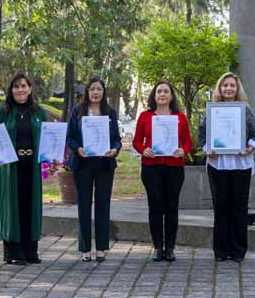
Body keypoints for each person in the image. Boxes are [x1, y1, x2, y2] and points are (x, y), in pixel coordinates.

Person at [199, 72, 255, 263]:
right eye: (225, 85)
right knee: (221, 207)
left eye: (232, 85)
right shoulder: (212, 110)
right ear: (219, 88)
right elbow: (202, 134)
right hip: (218, 164)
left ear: (237, 88)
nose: (228, 88)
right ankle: (221, 250)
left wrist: (250, 148)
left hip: (240, 165)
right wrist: (207, 149)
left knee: (239, 207)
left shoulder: (245, 109)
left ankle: (237, 250)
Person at [0, 73, 48, 265]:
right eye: (16, 86)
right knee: (12, 207)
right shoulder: (3, 111)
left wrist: (51, 157)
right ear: (11, 90)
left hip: (32, 166)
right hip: (9, 168)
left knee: (30, 206)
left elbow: (47, 138)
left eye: (24, 86)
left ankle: (30, 250)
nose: (20, 90)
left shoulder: (39, 112)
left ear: (30, 89)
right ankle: (13, 252)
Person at [132, 82, 193, 262]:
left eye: (166, 91)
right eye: (159, 91)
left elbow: (188, 142)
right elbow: (136, 141)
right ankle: (158, 247)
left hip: (174, 167)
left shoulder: (180, 117)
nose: (162, 94)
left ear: (171, 96)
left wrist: (184, 150)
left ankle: (170, 247)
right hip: (151, 167)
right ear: (154, 95)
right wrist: (144, 150)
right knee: (155, 207)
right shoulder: (145, 116)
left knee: (172, 207)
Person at [66, 76, 122, 263]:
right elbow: (71, 137)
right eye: (92, 89)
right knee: (84, 205)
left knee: (102, 205)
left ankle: (101, 247)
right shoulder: (78, 111)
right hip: (83, 164)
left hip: (104, 163)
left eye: (99, 89)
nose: (96, 92)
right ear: (87, 92)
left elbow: (116, 139)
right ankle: (84, 248)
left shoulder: (110, 112)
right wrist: (78, 149)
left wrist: (115, 149)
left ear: (103, 92)